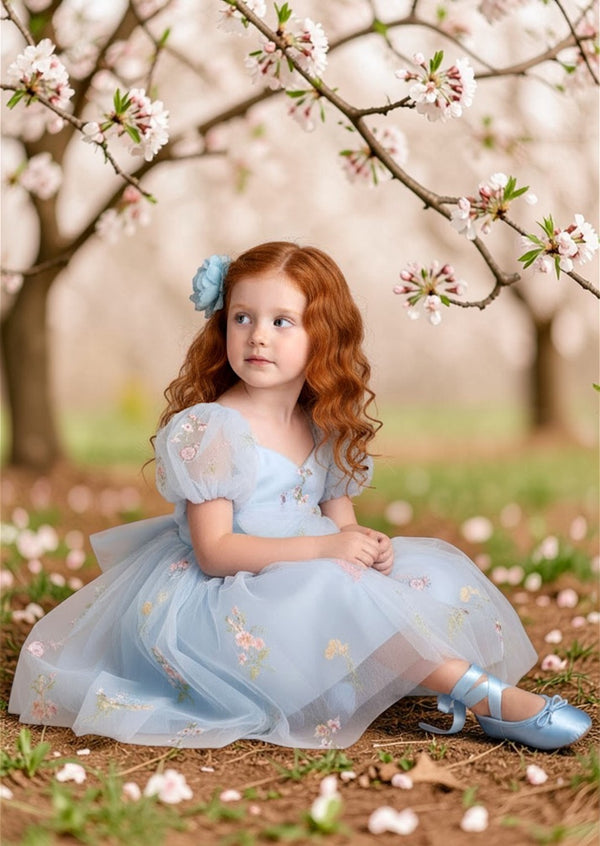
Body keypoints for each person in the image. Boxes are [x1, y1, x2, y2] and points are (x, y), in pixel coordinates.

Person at [9, 241, 591, 751]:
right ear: (222, 326)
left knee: (412, 576)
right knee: (333, 585)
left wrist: (367, 548)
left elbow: (340, 523)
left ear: (323, 337)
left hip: (309, 569)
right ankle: (482, 697)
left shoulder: (321, 425)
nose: (258, 335)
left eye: (282, 321)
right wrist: (324, 553)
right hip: (223, 595)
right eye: (242, 317)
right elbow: (215, 551)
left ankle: (433, 677)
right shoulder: (213, 427)